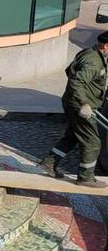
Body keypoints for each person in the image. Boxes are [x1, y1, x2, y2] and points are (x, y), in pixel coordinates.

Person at [40, 32, 108, 188]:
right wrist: (84, 102)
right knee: (92, 142)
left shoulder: (89, 53)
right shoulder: (93, 62)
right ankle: (85, 178)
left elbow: (69, 71)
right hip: (80, 106)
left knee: (73, 136)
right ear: (105, 46)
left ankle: (49, 163)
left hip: (75, 102)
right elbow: (76, 81)